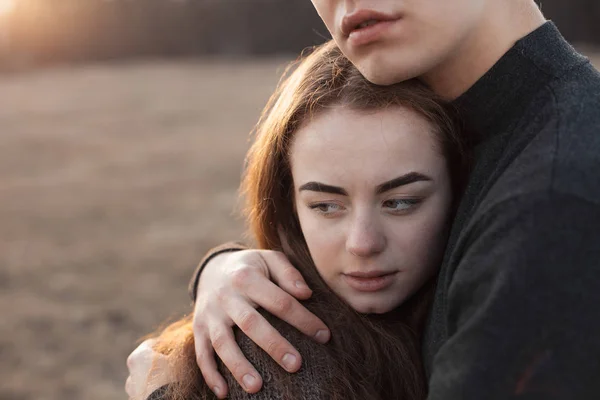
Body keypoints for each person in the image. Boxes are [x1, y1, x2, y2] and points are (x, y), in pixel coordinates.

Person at [129, 1, 600, 399]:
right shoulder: (500, 136)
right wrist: (226, 269)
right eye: (324, 205)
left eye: (402, 200)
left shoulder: (553, 206)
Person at [126, 40, 469, 400]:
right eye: (325, 206)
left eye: (400, 202)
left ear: (460, 188)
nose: (363, 243)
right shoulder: (270, 356)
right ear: (288, 205)